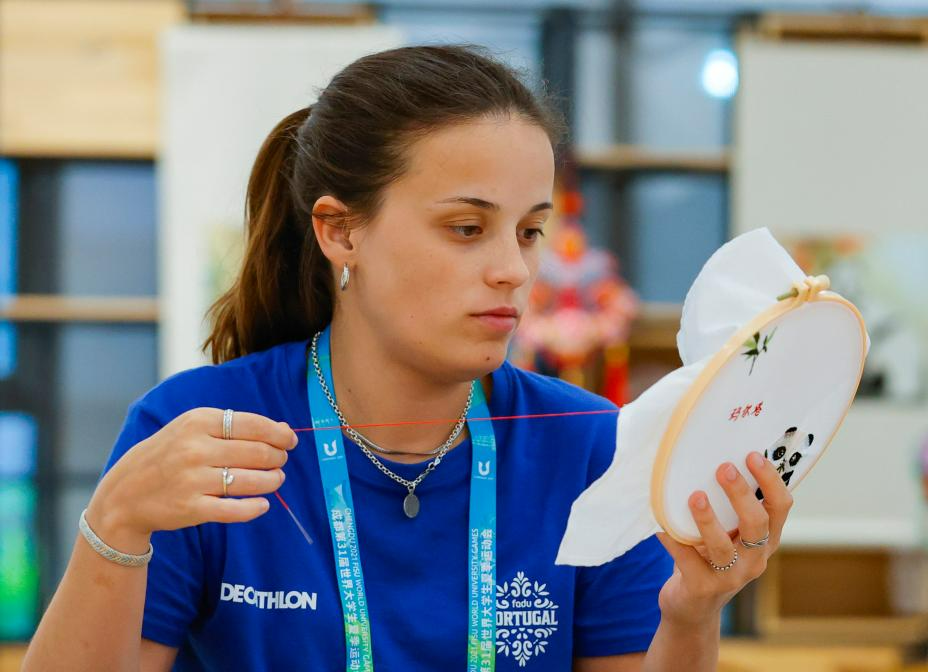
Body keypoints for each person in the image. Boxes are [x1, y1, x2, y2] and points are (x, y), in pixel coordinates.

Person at [23, 44, 792, 672]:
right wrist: (115, 523)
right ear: (340, 231)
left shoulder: (591, 446)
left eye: (529, 231)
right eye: (466, 229)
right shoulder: (203, 434)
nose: (513, 270)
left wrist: (692, 614)